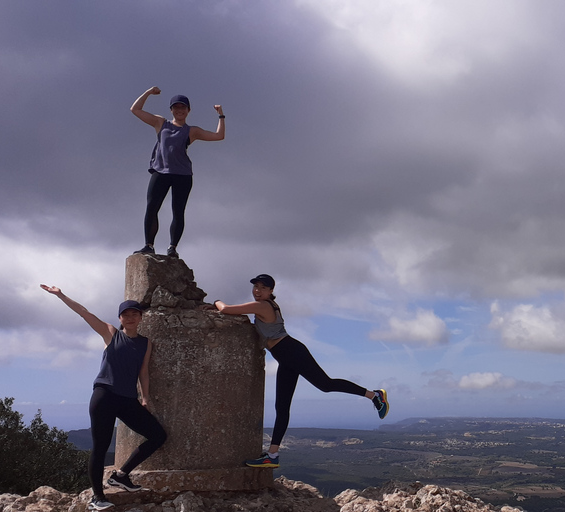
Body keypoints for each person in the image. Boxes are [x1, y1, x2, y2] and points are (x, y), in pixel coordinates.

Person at [213, 274, 389, 468]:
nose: (257, 290)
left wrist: (215, 302)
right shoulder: (268, 305)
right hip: (285, 357)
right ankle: (272, 456)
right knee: (282, 407)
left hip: (292, 352)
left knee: (325, 384)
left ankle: (375, 395)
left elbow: (227, 309)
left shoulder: (263, 305)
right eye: (255, 286)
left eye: (262, 287)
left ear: (271, 291)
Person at [40, 285, 167, 511]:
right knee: (100, 446)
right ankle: (97, 496)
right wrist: (60, 295)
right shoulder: (110, 333)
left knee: (158, 436)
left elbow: (143, 372)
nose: (130, 317)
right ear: (120, 318)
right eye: (125, 314)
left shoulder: (146, 343)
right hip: (104, 396)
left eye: (134, 314)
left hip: (128, 399)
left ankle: (121, 475)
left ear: (140, 317)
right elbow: (84, 312)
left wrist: (145, 397)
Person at [130, 86, 225, 258]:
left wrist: (221, 115)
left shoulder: (192, 131)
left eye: (183, 107)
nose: (179, 110)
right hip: (161, 171)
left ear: (188, 110)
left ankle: (172, 248)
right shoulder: (161, 123)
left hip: (182, 175)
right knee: (152, 208)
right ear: (171, 109)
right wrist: (149, 92)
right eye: (176, 107)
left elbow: (219, 136)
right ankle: (148, 246)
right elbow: (135, 110)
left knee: (178, 211)